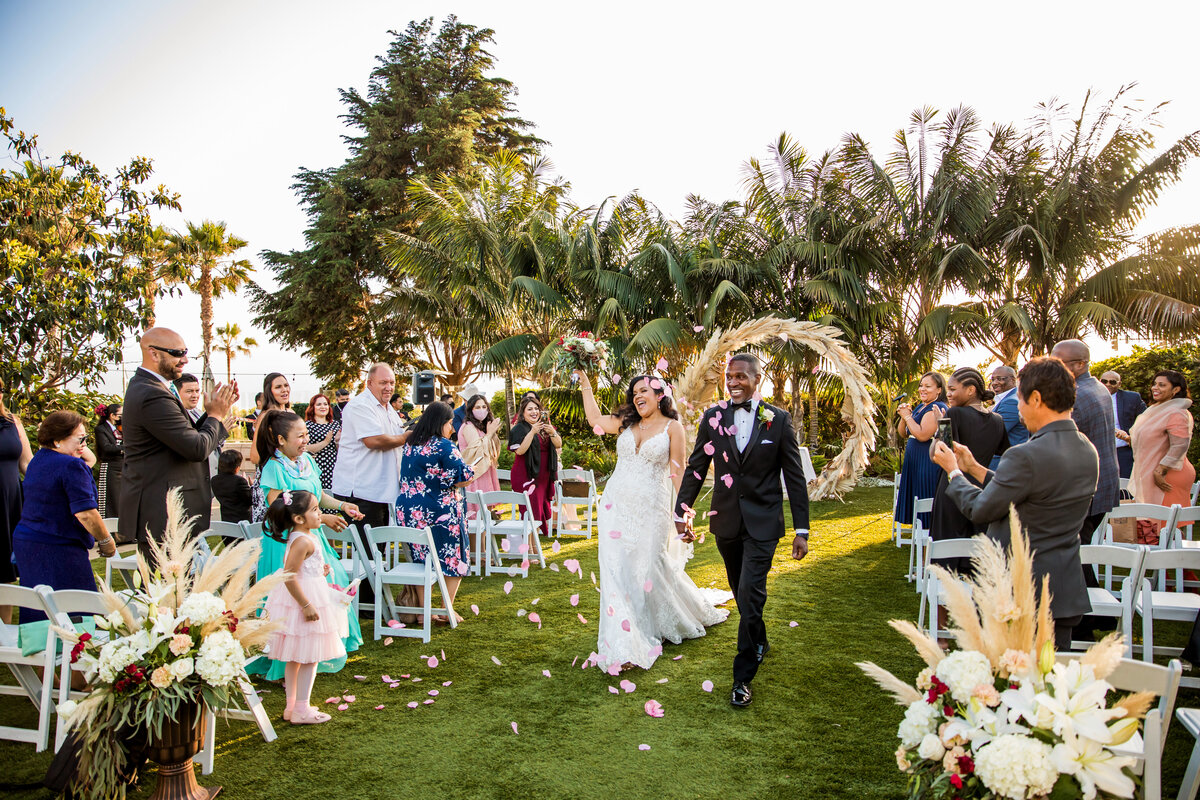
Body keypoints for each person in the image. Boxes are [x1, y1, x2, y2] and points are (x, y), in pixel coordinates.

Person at [932, 357, 1096, 650]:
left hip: (1020, 591)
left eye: (1019, 399)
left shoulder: (1026, 455)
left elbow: (981, 508)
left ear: (1035, 398)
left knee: (1011, 686)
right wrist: (975, 469)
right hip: (1062, 588)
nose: (1018, 409)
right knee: (1048, 686)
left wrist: (953, 472)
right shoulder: (1085, 448)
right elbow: (1036, 489)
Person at [674, 353, 810, 708]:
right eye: (729, 377)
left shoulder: (778, 421)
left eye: (740, 377)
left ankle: (742, 678)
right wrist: (682, 510)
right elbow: (696, 467)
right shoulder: (713, 417)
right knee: (741, 591)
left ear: (757, 379)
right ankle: (759, 638)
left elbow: (794, 479)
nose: (733, 382)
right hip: (727, 521)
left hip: (764, 523)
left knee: (750, 592)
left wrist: (802, 530)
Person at [577, 370, 731, 673]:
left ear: (660, 394)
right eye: (634, 391)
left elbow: (678, 472)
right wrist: (585, 380)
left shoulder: (672, 427)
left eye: (643, 390)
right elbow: (595, 418)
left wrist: (683, 511)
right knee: (616, 571)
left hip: (651, 510)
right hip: (614, 509)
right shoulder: (626, 423)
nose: (637, 396)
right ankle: (625, 642)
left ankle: (666, 615)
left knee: (647, 568)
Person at [248, 409, 364, 679]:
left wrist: (341, 505)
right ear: (279, 440)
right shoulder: (273, 467)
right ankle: (286, 655)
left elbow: (317, 495)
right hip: (286, 543)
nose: (305, 440)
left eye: (306, 435)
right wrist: (323, 519)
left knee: (324, 585)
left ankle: (317, 648)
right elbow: (278, 507)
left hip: (312, 537)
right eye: (299, 436)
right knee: (288, 596)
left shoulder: (307, 461)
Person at [119, 328, 235, 564]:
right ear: (153, 353)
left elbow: (183, 437)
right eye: (176, 353)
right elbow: (195, 448)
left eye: (185, 352)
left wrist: (211, 417)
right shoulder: (152, 394)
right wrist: (215, 416)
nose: (184, 359)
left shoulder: (151, 387)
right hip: (163, 515)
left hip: (168, 514)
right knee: (171, 594)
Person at [13, 411, 117, 626]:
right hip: (57, 547)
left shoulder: (39, 460)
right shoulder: (71, 465)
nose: (84, 444)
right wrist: (107, 541)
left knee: (40, 606)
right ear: (57, 440)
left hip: (28, 543)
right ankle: (75, 652)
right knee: (77, 606)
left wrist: (78, 445)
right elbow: (86, 514)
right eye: (80, 439)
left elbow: (88, 458)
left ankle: (43, 653)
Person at [261, 490, 348, 725]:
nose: (320, 514)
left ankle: (293, 706)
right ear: (299, 518)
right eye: (315, 510)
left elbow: (299, 568)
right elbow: (288, 576)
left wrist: (320, 571)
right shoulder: (302, 540)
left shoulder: (304, 536)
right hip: (304, 600)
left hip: (307, 593)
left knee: (296, 657)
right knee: (309, 656)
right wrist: (307, 605)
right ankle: (301, 708)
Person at [395, 402, 477, 622]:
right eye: (450, 423)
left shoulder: (411, 444)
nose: (451, 428)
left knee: (422, 559)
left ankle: (425, 612)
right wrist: (472, 472)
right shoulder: (445, 446)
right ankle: (446, 608)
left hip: (410, 510)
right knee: (454, 557)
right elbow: (462, 478)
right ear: (441, 423)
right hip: (440, 511)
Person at [930, 368, 1009, 566]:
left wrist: (942, 425)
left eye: (952, 389)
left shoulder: (954, 414)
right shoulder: (998, 420)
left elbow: (937, 454)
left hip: (953, 486)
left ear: (971, 390)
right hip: (982, 488)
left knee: (948, 552)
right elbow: (1004, 451)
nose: (948, 394)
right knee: (975, 553)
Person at [1050, 340, 1119, 542]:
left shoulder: (1075, 396)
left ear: (1081, 364)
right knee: (1080, 552)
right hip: (1102, 481)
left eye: (1059, 362)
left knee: (1074, 555)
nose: (1053, 367)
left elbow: (1057, 442)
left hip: (1082, 487)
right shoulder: (1098, 386)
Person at [332, 363, 409, 542]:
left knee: (378, 548)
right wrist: (407, 437)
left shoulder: (389, 409)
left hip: (381, 490)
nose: (389, 387)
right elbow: (374, 441)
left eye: (392, 382)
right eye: (383, 382)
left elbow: (394, 440)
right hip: (360, 491)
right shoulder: (360, 405)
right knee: (368, 553)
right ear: (369, 383)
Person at [1127, 370, 1194, 545]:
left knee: (1164, 529)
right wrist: (1128, 439)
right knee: (1157, 529)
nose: (1155, 388)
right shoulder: (1157, 409)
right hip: (1155, 472)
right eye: (1155, 384)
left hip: (1167, 474)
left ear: (1175, 390)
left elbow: (1180, 444)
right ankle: (1167, 570)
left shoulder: (1176, 412)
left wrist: (1160, 469)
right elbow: (1151, 440)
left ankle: (1180, 570)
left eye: (1162, 385)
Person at [894, 373, 948, 530]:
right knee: (915, 495)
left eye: (928, 386)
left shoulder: (936, 407)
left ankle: (928, 534)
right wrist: (904, 417)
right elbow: (903, 433)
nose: (922, 389)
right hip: (914, 460)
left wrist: (908, 417)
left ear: (939, 390)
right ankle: (919, 533)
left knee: (925, 493)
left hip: (926, 459)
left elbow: (923, 435)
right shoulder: (922, 406)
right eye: (921, 385)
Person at [0, 387, 33, 623]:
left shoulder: (13, 422)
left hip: (10, 504)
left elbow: (27, 463)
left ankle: (5, 632)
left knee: (6, 571)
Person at [508, 394, 561, 536]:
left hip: (543, 476)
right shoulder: (519, 429)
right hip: (526, 475)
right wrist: (532, 432)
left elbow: (559, 444)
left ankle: (533, 547)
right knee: (530, 511)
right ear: (523, 413)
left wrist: (552, 432)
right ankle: (531, 549)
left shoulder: (546, 427)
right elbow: (520, 451)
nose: (534, 412)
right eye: (529, 409)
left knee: (538, 510)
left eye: (536, 408)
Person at [456, 393, 502, 512]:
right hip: (476, 474)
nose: (481, 410)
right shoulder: (468, 426)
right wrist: (490, 433)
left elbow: (493, 448)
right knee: (476, 516)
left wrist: (492, 432)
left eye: (484, 407)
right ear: (471, 409)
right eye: (477, 407)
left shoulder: (482, 426)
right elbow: (477, 451)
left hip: (486, 471)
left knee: (487, 513)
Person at [1101, 370, 1147, 479]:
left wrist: (1131, 437)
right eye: (1104, 381)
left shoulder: (1132, 398)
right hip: (1099, 451)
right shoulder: (1091, 397)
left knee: (1124, 488)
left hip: (1123, 451)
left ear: (1119, 384)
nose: (1108, 384)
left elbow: (1146, 420)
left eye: (1112, 382)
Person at [987, 366, 1028, 468]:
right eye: (993, 379)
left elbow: (993, 432)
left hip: (1004, 463)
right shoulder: (1007, 398)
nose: (995, 382)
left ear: (1013, 380)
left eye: (1000, 379)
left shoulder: (1011, 401)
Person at [304, 393, 341, 491]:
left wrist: (337, 442)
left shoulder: (335, 425)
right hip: (315, 465)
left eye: (325, 404)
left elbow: (340, 450)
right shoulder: (307, 426)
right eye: (319, 404)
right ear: (313, 407)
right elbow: (304, 448)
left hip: (333, 465)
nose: (323, 407)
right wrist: (325, 442)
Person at [93, 404, 124, 519]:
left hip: (123, 466)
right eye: (121, 415)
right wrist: (124, 449)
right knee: (111, 499)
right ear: (113, 416)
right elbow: (106, 447)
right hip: (110, 467)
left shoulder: (121, 428)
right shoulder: (101, 429)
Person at [211, 450, 252, 523]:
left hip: (226, 519)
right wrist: (251, 486)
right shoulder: (239, 481)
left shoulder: (214, 480)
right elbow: (250, 500)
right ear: (237, 468)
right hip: (242, 521)